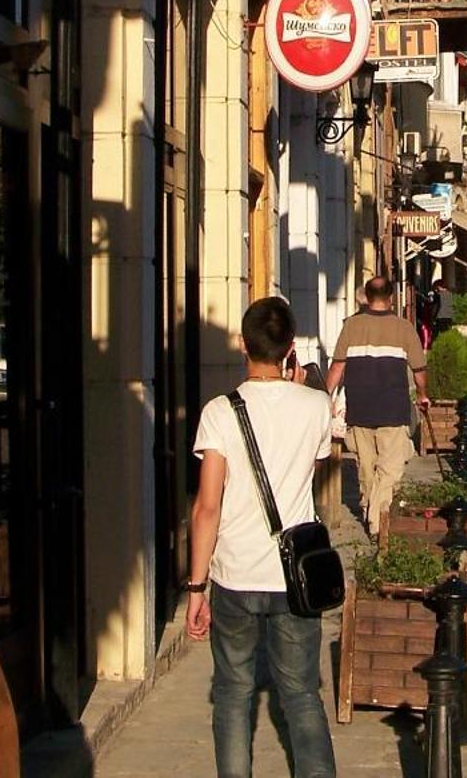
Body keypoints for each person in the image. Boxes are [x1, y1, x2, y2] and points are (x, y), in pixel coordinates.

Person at [186, 296, 337, 778]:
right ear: (291, 349)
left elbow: (207, 506)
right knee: (301, 696)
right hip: (295, 575)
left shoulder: (219, 412)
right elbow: (310, 471)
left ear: (241, 345)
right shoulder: (317, 406)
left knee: (233, 694)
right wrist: (296, 390)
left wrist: (195, 587)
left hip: (235, 573)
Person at [325, 276, 430, 538]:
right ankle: (377, 521)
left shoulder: (351, 326)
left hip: (359, 409)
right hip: (392, 409)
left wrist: (324, 397)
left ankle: (369, 511)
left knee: (366, 466)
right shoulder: (405, 328)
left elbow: (338, 366)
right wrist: (423, 395)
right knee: (390, 469)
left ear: (367, 297)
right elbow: (419, 370)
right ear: (392, 298)